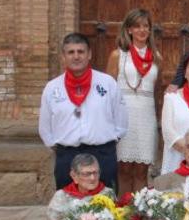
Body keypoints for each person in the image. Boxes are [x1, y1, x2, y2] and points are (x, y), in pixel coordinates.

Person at [39, 33, 128, 190]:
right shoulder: (52, 88)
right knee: (68, 209)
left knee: (106, 208)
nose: (76, 56)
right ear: (63, 56)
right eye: (71, 52)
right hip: (67, 156)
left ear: (89, 54)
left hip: (102, 154)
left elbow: (121, 120)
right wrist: (60, 148)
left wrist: (108, 142)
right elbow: (45, 127)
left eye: (81, 51)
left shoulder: (107, 83)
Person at [106, 8, 161, 195]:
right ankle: (124, 218)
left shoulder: (156, 58)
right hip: (124, 114)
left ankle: (139, 217)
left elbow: (157, 92)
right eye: (137, 26)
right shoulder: (118, 55)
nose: (142, 30)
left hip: (146, 116)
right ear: (129, 29)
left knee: (141, 170)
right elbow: (108, 90)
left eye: (146, 26)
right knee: (124, 169)